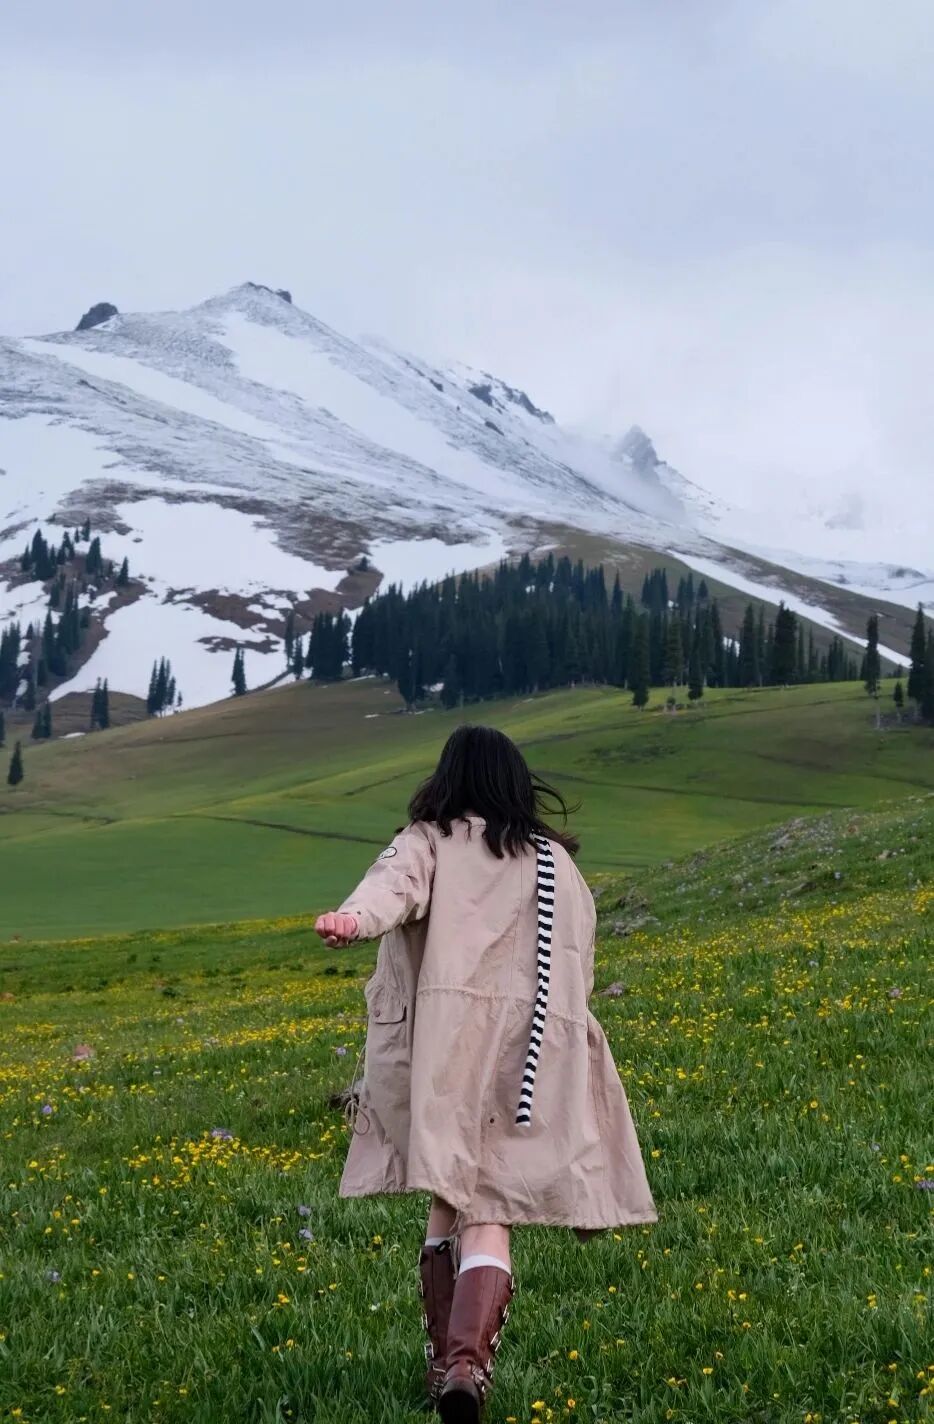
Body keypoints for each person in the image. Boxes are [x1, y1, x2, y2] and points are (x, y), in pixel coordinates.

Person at [315, 725, 657, 1421]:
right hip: (533, 1055)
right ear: (514, 782)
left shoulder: (431, 839)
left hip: (453, 1051)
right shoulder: (555, 862)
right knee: (477, 1199)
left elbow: (391, 888)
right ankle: (457, 1369)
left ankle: (459, 1366)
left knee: (467, 1196)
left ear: (449, 778)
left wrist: (352, 920)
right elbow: (578, 961)